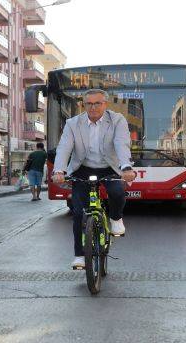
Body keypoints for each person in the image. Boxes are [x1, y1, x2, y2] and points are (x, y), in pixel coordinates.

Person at [52, 89, 136, 270]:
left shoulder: (117, 120)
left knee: (117, 192)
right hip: (83, 168)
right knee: (78, 213)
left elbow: (122, 144)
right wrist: (59, 170)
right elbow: (64, 147)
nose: (93, 107)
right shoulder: (73, 123)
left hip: (109, 167)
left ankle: (115, 219)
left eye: (98, 103)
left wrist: (126, 167)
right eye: (89, 103)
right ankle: (79, 256)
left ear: (105, 104)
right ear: (84, 105)